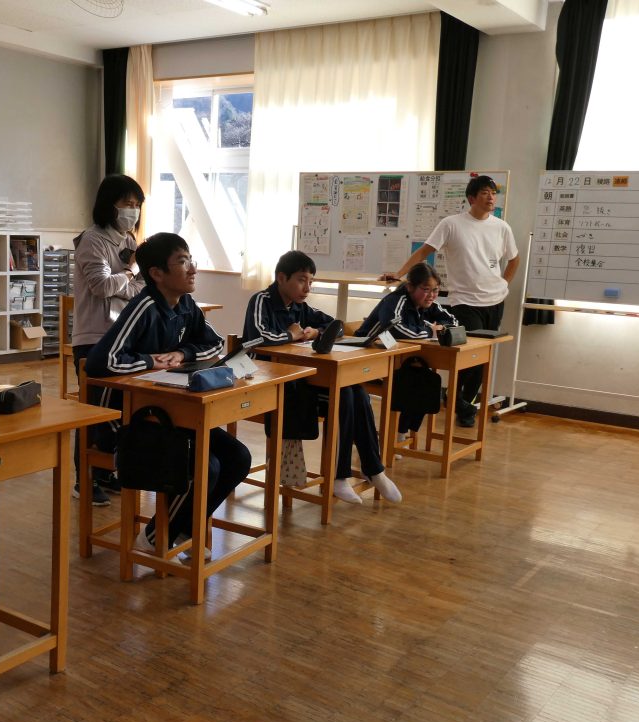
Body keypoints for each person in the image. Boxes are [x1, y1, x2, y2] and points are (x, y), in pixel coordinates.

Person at [86, 233, 250, 560]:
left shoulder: (186, 305)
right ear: (157, 273)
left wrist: (182, 352)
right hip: (125, 421)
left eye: (190, 259)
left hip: (167, 414)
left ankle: (183, 527)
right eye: (182, 262)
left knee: (237, 457)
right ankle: (156, 536)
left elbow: (215, 343)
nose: (193, 269)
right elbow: (100, 362)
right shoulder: (144, 307)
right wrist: (151, 361)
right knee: (205, 465)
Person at [243, 250, 402, 505]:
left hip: (300, 379)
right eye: (301, 280)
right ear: (281, 278)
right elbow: (257, 337)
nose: (307, 287)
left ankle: (373, 469)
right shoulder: (262, 300)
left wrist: (315, 331)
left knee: (355, 391)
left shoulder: (300, 307)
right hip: (269, 382)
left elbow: (335, 325)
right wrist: (292, 335)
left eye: (311, 281)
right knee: (343, 396)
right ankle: (339, 476)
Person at [381, 175, 519, 427]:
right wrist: (400, 274)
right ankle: (458, 401)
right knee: (468, 355)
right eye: (485, 192)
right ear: (472, 198)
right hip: (464, 301)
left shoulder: (502, 227)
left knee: (482, 360)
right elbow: (424, 251)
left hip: (495, 301)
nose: (491, 197)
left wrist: (504, 283)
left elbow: (514, 259)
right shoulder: (452, 224)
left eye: (493, 193)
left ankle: (461, 403)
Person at [71, 174, 146, 506]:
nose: (132, 210)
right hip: (93, 337)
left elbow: (139, 289)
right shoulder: (92, 240)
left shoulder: (129, 240)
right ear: (109, 204)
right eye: (127, 203)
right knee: (92, 411)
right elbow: (102, 287)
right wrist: (129, 271)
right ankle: (84, 480)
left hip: (122, 335)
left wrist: (128, 280)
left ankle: (105, 471)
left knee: (117, 408)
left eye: (136, 205)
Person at [357, 262, 457, 341]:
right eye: (426, 289)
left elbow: (453, 322)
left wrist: (440, 329)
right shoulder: (394, 301)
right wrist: (430, 331)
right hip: (365, 346)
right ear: (410, 287)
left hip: (396, 349)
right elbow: (394, 329)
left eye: (435, 290)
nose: (431, 295)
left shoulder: (430, 303)